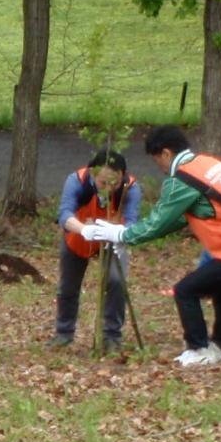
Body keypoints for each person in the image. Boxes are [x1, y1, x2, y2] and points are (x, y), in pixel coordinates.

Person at [82, 125, 221, 368]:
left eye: (157, 160)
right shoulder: (206, 164)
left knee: (185, 290)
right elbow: (182, 216)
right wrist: (126, 236)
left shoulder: (182, 179)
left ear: (166, 154)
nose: (159, 167)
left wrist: (122, 234)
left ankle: (198, 348)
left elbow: (158, 223)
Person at [50, 150, 141, 351]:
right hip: (79, 236)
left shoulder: (130, 188)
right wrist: (85, 229)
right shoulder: (77, 181)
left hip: (114, 241)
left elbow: (133, 222)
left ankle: (112, 337)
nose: (108, 189)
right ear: (92, 173)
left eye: (114, 184)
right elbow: (64, 214)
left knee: (117, 281)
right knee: (68, 286)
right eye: (102, 183)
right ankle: (64, 333)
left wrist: (120, 234)